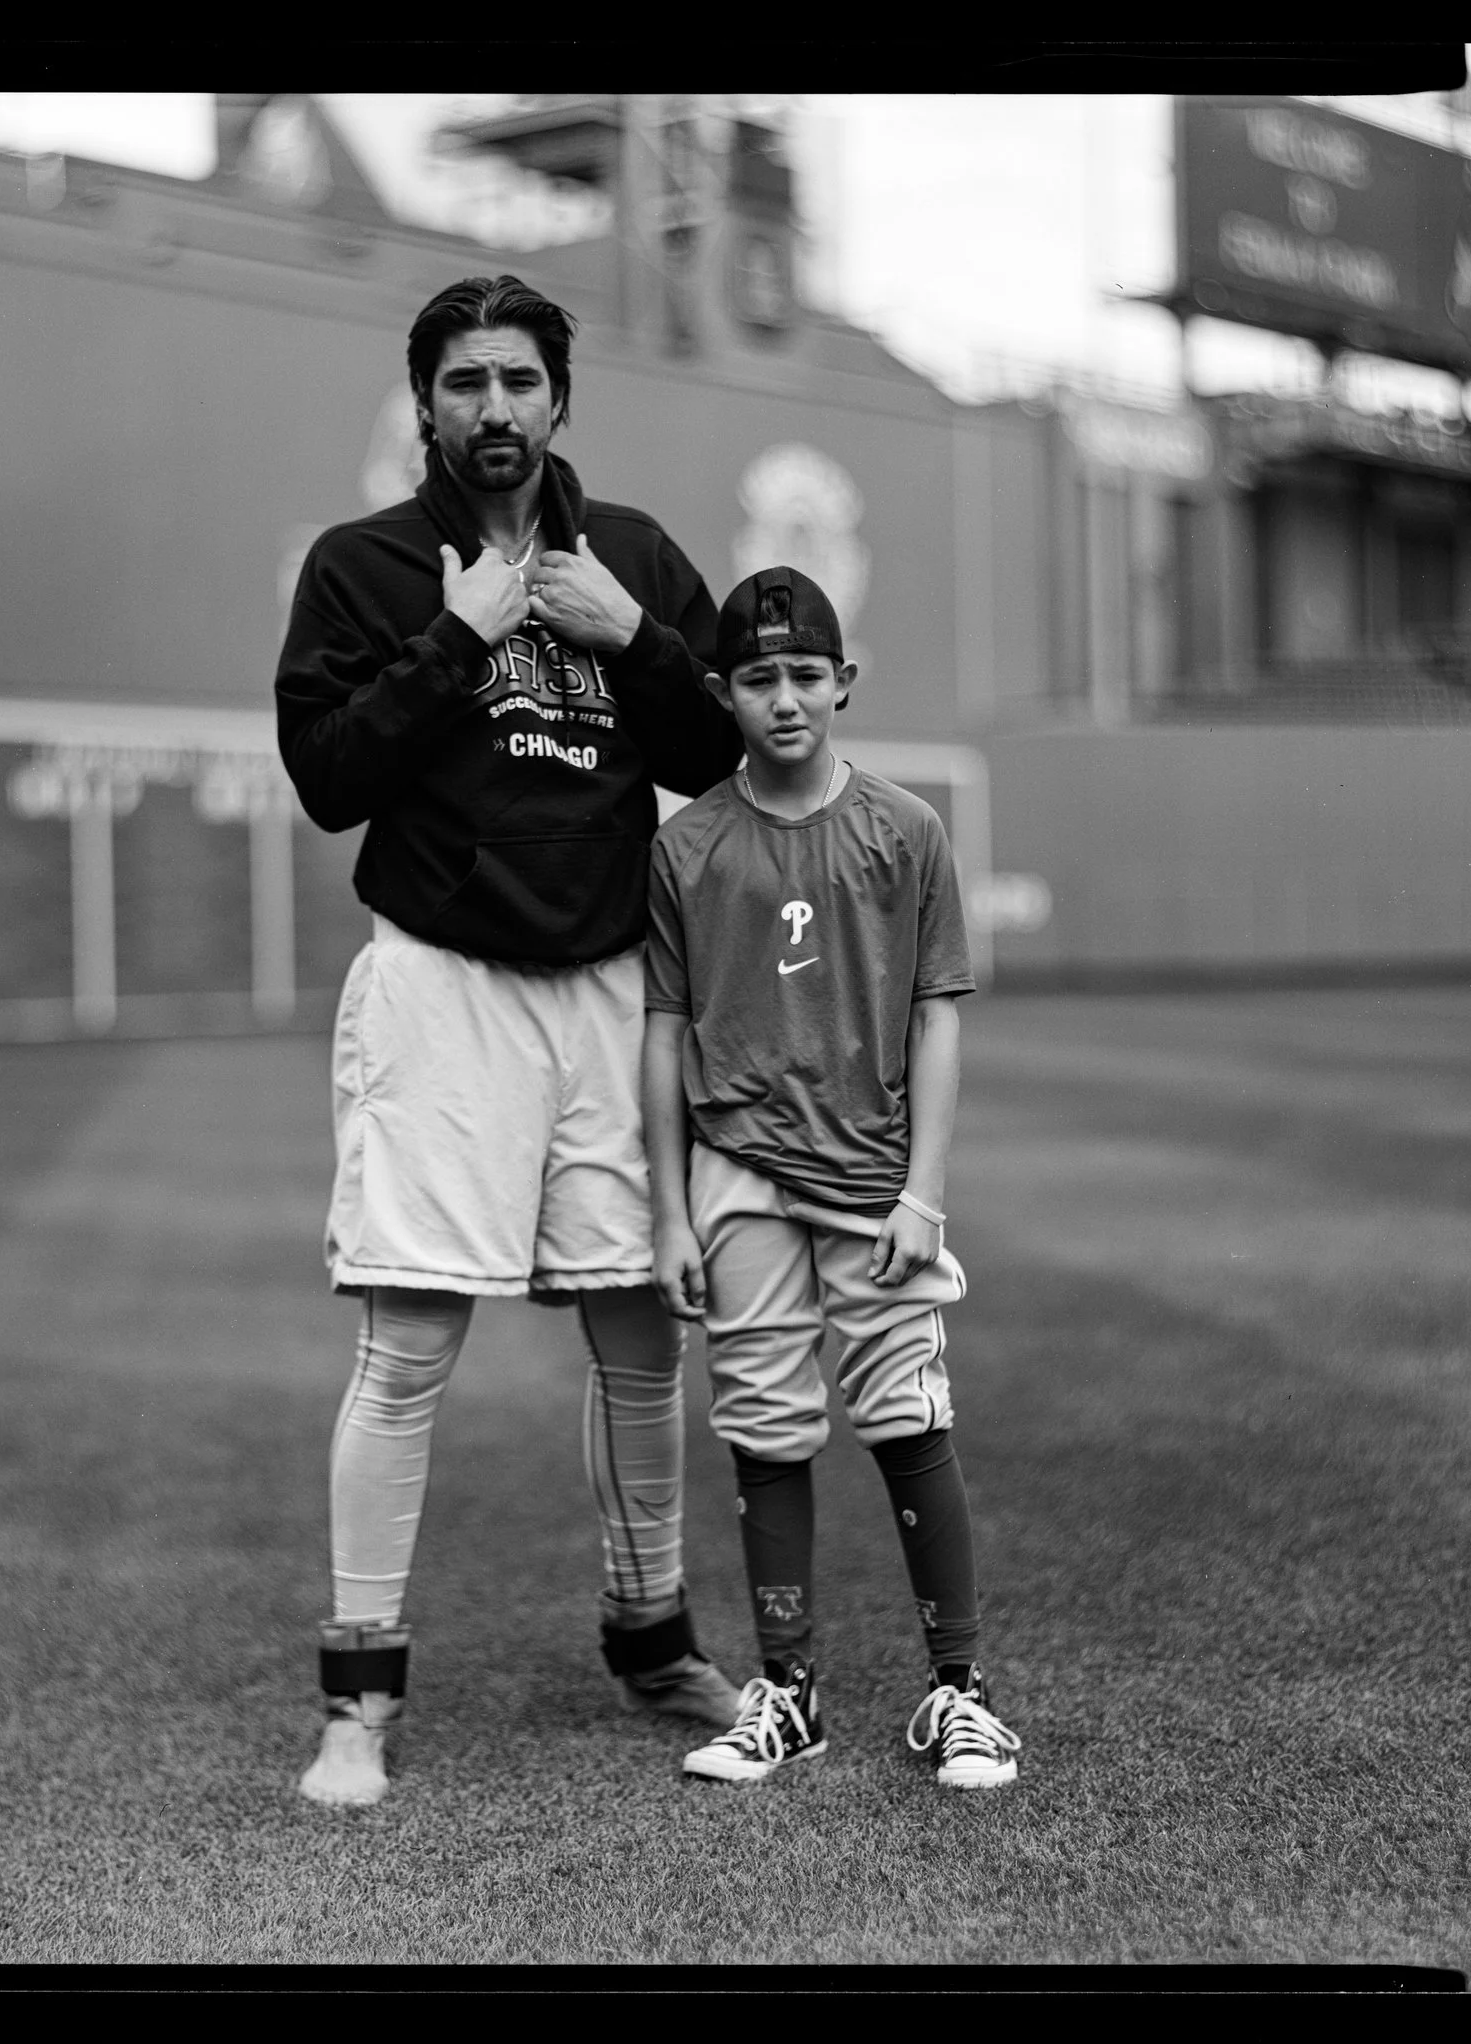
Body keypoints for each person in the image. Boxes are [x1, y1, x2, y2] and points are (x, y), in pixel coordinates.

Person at [275, 275, 746, 1807]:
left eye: (519, 382)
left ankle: (653, 1637)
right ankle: (359, 1699)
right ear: (426, 402)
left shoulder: (642, 560)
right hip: (443, 985)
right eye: (465, 382)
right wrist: (455, 640)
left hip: (610, 985)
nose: (493, 409)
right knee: (409, 1343)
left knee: (637, 1332)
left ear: (560, 401)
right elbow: (330, 778)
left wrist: (635, 641)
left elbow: (718, 755)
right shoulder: (363, 569)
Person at [641, 566, 1023, 1790]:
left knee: (907, 1416)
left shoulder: (905, 830)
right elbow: (661, 1031)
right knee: (761, 1423)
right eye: (759, 679)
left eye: (807, 673)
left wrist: (923, 1193)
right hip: (739, 1175)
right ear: (723, 692)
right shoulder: (687, 844)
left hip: (870, 1183)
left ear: (844, 681)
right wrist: (665, 1210)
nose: (786, 698)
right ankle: (788, 1692)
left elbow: (938, 1016)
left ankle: (958, 1692)